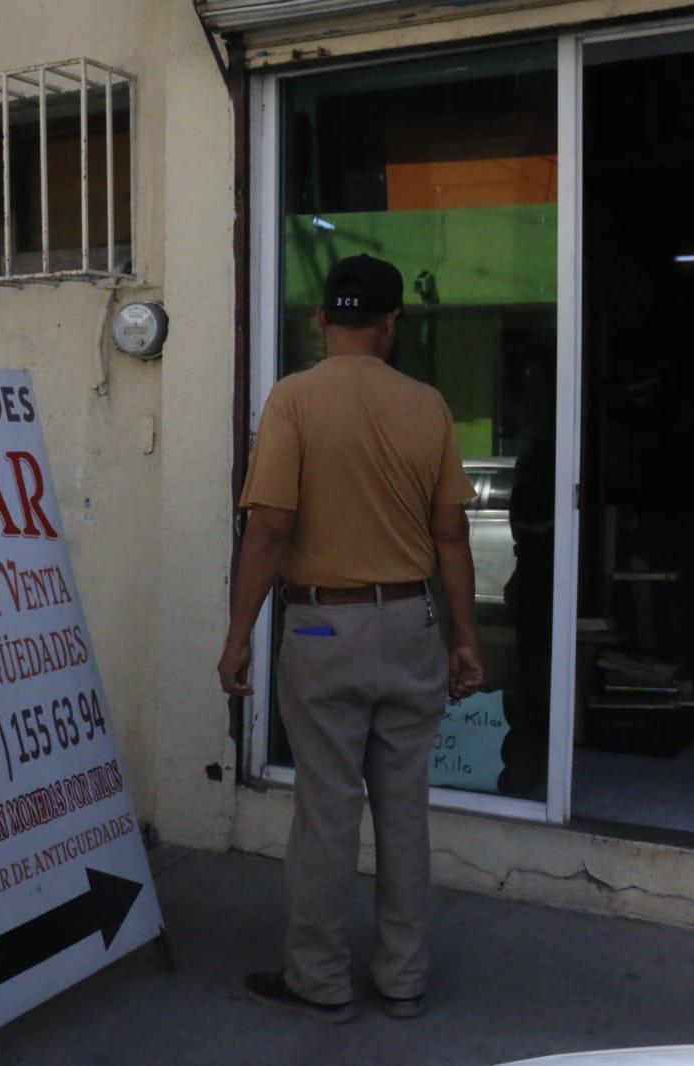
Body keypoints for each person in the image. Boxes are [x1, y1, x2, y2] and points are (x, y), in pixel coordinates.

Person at [217, 254, 484, 1023]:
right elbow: (452, 535)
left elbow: (268, 525)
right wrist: (464, 636)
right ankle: (403, 979)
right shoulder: (426, 405)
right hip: (410, 623)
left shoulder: (295, 398)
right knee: (403, 809)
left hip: (324, 623)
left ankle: (320, 980)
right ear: (392, 323)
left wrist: (238, 635)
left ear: (320, 321)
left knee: (327, 808)